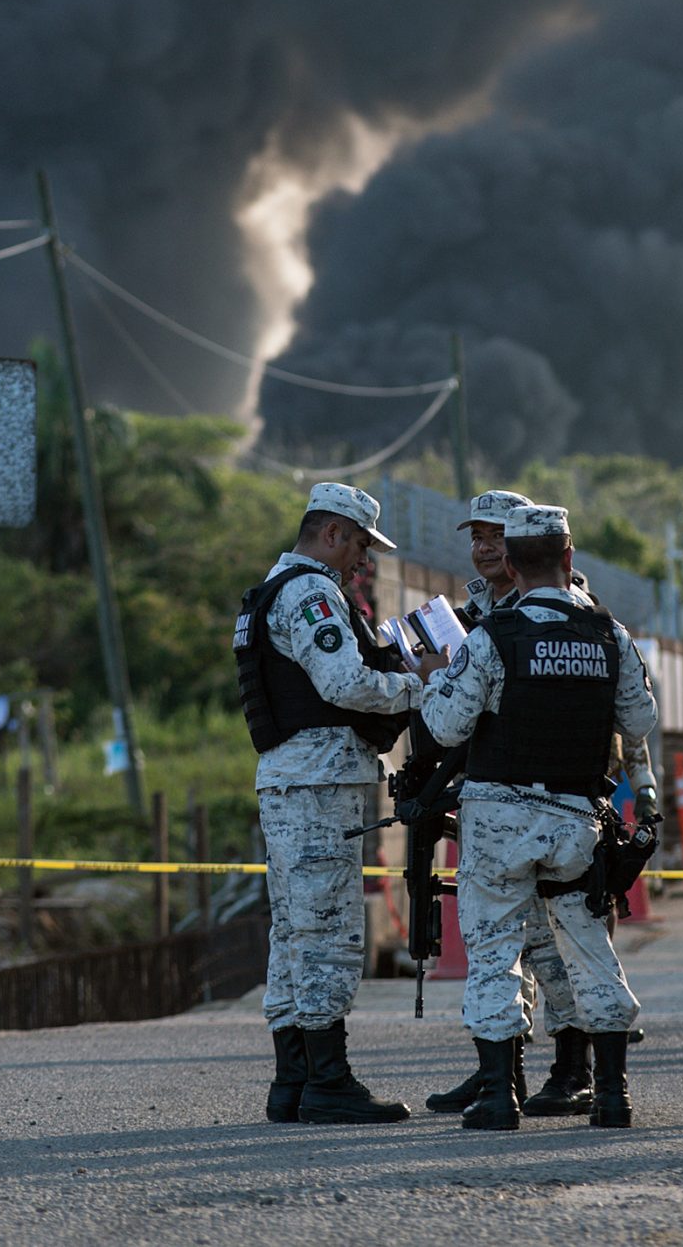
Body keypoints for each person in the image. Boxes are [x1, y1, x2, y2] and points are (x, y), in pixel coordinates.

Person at [423, 502, 660, 1130]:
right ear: (570, 559)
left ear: (515, 567)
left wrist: (433, 681)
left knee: (496, 952)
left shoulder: (492, 636)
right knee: (589, 950)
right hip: (576, 818)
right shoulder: (612, 634)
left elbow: (446, 725)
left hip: (498, 817)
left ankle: (500, 1096)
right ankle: (611, 1095)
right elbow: (639, 723)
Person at [235, 482, 438, 1125]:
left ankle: (292, 1081)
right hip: (321, 784)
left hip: (289, 779)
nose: (364, 562)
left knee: (294, 932)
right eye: (358, 545)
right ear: (330, 533)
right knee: (326, 932)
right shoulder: (314, 593)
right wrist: (419, 686)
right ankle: (328, 1081)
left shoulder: (271, 587)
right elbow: (345, 683)